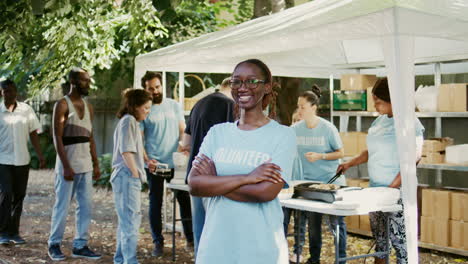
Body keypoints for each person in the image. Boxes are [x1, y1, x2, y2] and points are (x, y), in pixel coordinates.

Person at [188, 59, 296, 264]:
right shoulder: (217, 133)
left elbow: (265, 192)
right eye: (236, 81)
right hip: (215, 249)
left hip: (260, 250)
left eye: (252, 81)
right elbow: (194, 185)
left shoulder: (283, 135)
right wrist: (248, 178)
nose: (243, 87)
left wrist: (214, 181)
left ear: (266, 87)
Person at [337, 77, 424, 264]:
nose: (374, 104)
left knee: (401, 243)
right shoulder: (378, 122)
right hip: (375, 190)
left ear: (391, 99)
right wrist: (349, 164)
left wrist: (392, 188)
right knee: (380, 242)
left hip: (397, 193)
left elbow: (414, 158)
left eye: (378, 100)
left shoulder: (410, 122)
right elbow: (370, 152)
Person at [289, 86, 347, 264]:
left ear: (313, 107)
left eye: (303, 107)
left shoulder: (328, 128)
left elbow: (341, 153)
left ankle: (341, 260)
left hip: (330, 183)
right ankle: (314, 259)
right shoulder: (295, 129)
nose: (299, 110)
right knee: (313, 226)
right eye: (298, 106)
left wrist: (321, 156)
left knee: (336, 224)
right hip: (309, 184)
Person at [48, 68, 101, 261]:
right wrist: (66, 165)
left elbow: (91, 137)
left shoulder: (89, 107)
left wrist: (96, 163)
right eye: (84, 80)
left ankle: (80, 244)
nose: (88, 83)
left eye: (88, 80)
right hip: (67, 166)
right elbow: (57, 137)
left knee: (85, 206)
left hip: (85, 164)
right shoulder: (62, 105)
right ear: (73, 81)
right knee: (62, 205)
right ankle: (54, 244)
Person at [140, 71, 193, 256]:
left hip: (175, 163)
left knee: (184, 200)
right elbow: (139, 139)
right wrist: (147, 160)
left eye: (157, 87)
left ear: (162, 86)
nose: (155, 91)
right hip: (155, 164)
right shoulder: (144, 109)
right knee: (156, 202)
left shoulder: (174, 105)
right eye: (150, 88)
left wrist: (183, 147)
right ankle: (158, 242)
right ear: (145, 89)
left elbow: (182, 129)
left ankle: (190, 239)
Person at [179, 77, 235, 255]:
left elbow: (185, 143)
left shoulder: (198, 104)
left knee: (200, 232)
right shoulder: (229, 106)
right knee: (219, 234)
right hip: (218, 177)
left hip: (195, 175)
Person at [0, 79, 45, 245]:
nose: (9, 94)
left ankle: (14, 232)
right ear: (1, 93)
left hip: (22, 160)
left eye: (12, 91)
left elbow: (33, 133)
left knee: (19, 196)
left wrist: (40, 155)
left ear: (16, 92)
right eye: (6, 91)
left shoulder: (26, 110)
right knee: (5, 194)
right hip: (2, 160)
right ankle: (3, 232)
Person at [111, 89, 152, 264]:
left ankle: (121, 259)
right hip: (127, 176)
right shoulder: (128, 121)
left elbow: (135, 146)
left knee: (126, 221)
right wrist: (135, 174)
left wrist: (147, 160)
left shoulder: (131, 122)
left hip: (127, 176)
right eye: (146, 108)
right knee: (130, 222)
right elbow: (126, 150)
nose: (148, 112)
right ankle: (130, 260)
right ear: (135, 106)